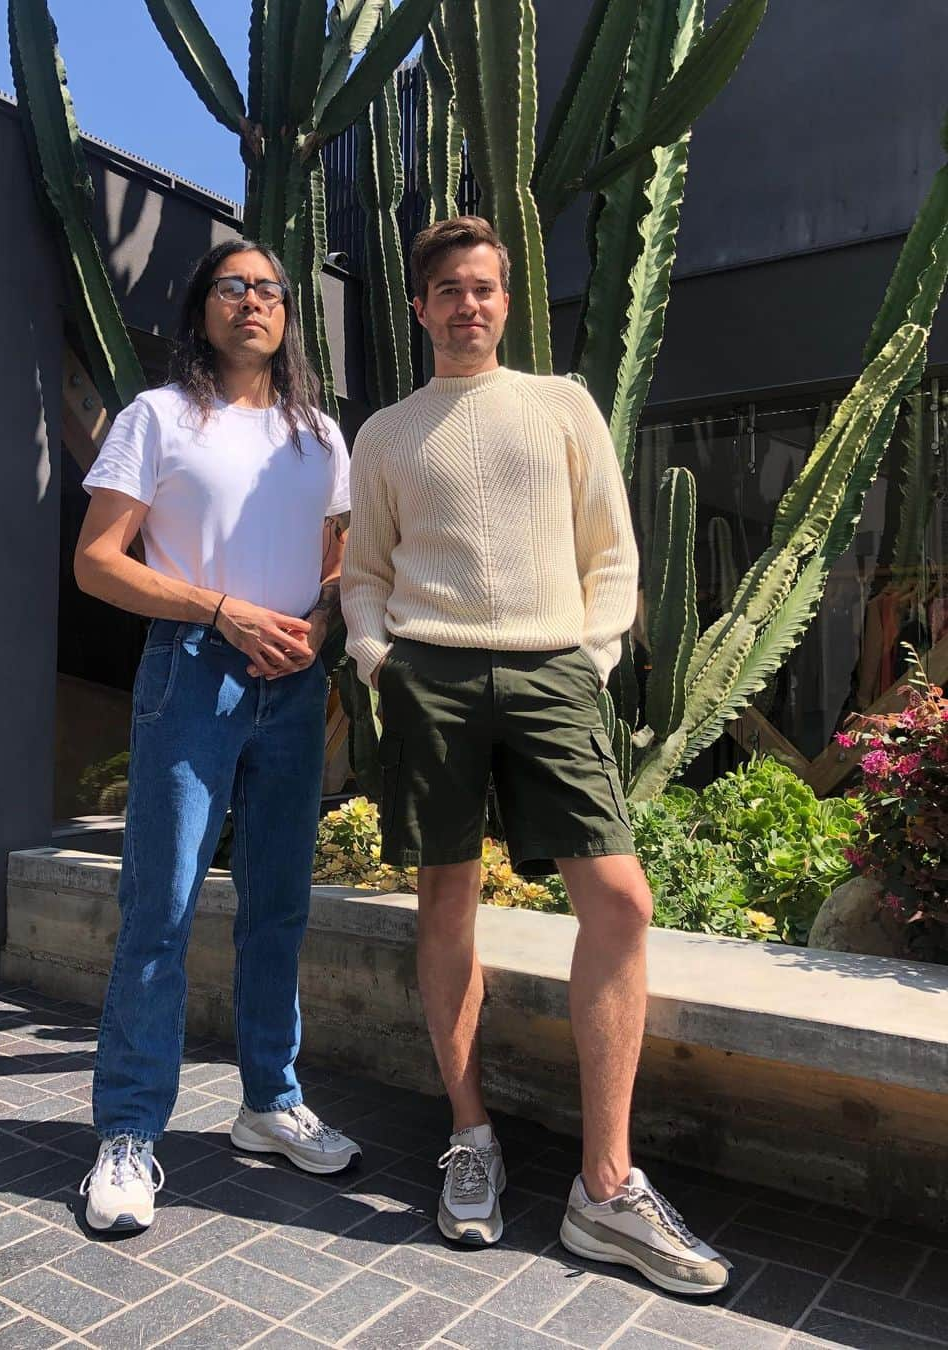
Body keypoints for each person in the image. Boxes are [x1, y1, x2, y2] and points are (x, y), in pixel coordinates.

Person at [342, 216, 729, 1294]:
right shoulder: (386, 434)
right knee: (445, 898)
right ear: (419, 308)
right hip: (432, 674)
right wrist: (381, 660)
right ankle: (470, 1136)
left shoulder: (562, 407)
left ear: (508, 303)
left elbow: (613, 550)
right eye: (449, 290)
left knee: (618, 900)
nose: (469, 304)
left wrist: (595, 656)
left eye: (486, 289)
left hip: (556, 669)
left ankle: (604, 1190)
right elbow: (364, 569)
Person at [74, 239, 361, 1234]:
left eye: (271, 290)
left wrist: (318, 628)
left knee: (278, 903)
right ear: (202, 310)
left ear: (288, 316)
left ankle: (268, 1103)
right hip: (193, 674)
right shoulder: (159, 419)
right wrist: (218, 610)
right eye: (233, 286)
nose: (255, 302)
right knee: (161, 903)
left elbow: (339, 565)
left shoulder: (320, 435)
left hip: (292, 683)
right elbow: (98, 563)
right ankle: (129, 1130)